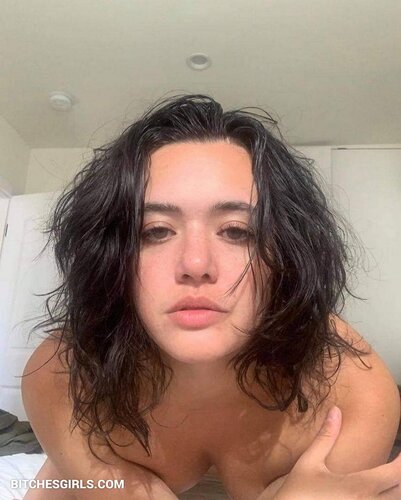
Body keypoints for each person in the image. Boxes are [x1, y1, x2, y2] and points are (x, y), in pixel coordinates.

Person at [21, 94, 401, 499]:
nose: (196, 263)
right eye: (155, 231)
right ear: (111, 256)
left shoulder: (353, 393)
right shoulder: (62, 378)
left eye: (237, 231)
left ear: (286, 255)